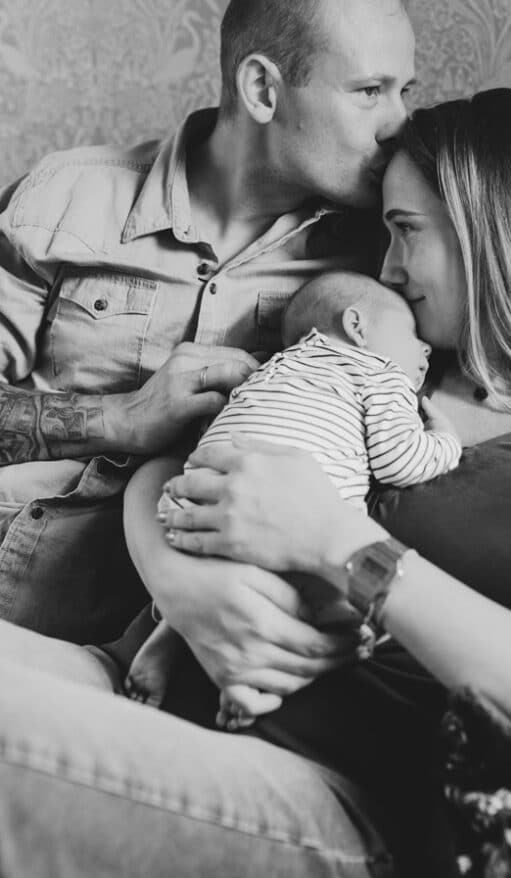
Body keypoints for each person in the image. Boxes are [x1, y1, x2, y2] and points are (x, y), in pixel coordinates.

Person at [0, 90, 511, 878]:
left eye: (408, 231)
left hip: (332, 797)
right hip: (134, 674)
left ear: (493, 233)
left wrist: (344, 545)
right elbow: (187, 456)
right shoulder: (386, 359)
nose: (389, 269)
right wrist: (175, 579)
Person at [1, 0, 511, 676]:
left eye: (405, 89)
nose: (398, 121)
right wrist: (121, 419)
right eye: (369, 91)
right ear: (263, 90)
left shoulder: (393, 243)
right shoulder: (66, 199)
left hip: (163, 647)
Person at [126, 270, 461, 725]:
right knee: (330, 604)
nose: (424, 349)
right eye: (411, 335)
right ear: (358, 327)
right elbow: (398, 460)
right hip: (280, 511)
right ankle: (245, 687)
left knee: (221, 576)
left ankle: (169, 632)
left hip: (198, 497)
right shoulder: (377, 370)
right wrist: (444, 441)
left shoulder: (273, 368)